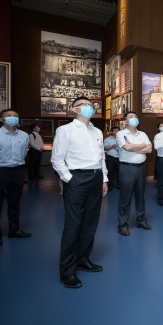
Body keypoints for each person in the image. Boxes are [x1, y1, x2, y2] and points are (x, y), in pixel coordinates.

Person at [51, 96, 109, 288]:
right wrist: (70, 179)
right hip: (77, 178)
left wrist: (104, 179)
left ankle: (83, 259)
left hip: (96, 177)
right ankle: (67, 271)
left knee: (91, 221)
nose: (89, 108)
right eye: (84, 105)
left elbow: (101, 158)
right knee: (74, 223)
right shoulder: (65, 130)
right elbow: (57, 159)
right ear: (74, 109)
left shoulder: (97, 131)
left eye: (91, 105)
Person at [0, 109, 30, 247]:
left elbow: (24, 152)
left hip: (18, 171)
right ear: (1, 119)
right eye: (9, 116)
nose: (13, 118)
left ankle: (14, 230)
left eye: (15, 116)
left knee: (15, 203)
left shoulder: (24, 135)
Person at [116, 111, 152, 235]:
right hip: (127, 168)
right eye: (131, 117)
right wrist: (142, 146)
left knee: (140, 196)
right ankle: (122, 225)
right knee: (125, 197)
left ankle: (141, 220)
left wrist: (134, 146)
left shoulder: (143, 134)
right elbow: (127, 147)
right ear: (125, 121)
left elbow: (149, 149)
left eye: (135, 117)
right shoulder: (121, 134)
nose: (134, 119)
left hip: (141, 167)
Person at [103, 126, 120, 191]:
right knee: (110, 172)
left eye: (118, 130)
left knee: (119, 172)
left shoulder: (121, 139)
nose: (117, 131)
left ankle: (119, 184)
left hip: (119, 158)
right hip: (110, 158)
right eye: (115, 130)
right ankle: (110, 185)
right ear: (112, 132)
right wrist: (112, 146)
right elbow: (105, 148)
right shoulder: (107, 139)